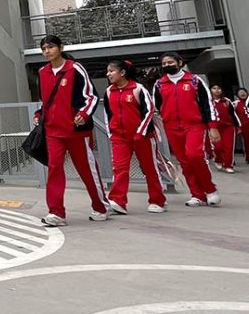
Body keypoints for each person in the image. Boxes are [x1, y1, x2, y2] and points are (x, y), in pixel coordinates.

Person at [33, 35, 108, 227]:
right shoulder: (42, 72)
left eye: (50, 47)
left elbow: (91, 96)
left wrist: (83, 114)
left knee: (87, 170)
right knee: (55, 170)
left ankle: (100, 206)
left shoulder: (75, 68)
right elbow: (45, 100)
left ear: (60, 47)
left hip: (76, 131)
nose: (47, 51)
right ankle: (56, 212)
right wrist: (39, 114)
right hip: (52, 131)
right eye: (43, 49)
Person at [154, 52, 221, 207]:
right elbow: (156, 107)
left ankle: (210, 189)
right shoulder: (159, 84)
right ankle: (197, 194)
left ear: (179, 62)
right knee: (184, 162)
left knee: (195, 155)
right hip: (171, 127)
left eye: (170, 62)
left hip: (194, 125)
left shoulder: (195, 81)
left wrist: (212, 127)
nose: (167, 66)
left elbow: (207, 105)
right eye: (164, 63)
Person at [101, 59, 167, 215]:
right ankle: (118, 201)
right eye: (108, 71)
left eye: (111, 71)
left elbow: (149, 110)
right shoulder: (109, 91)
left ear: (122, 73)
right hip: (119, 137)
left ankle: (158, 200)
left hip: (143, 137)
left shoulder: (138, 89)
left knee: (149, 168)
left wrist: (140, 132)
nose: (108, 74)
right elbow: (107, 115)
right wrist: (111, 133)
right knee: (119, 169)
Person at [210, 85, 240, 173]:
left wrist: (238, 125)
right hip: (214, 127)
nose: (217, 90)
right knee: (217, 146)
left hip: (228, 127)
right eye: (214, 88)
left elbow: (233, 114)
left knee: (229, 146)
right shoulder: (208, 101)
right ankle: (218, 160)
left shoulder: (226, 101)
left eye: (219, 88)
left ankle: (228, 165)